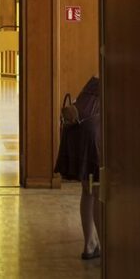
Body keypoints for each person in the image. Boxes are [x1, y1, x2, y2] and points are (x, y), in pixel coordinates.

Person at [54, 76, 102, 260]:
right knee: (98, 190)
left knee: (88, 189)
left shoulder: (95, 80)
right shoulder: (121, 79)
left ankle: (90, 244)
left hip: (76, 132)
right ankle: (104, 249)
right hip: (92, 133)